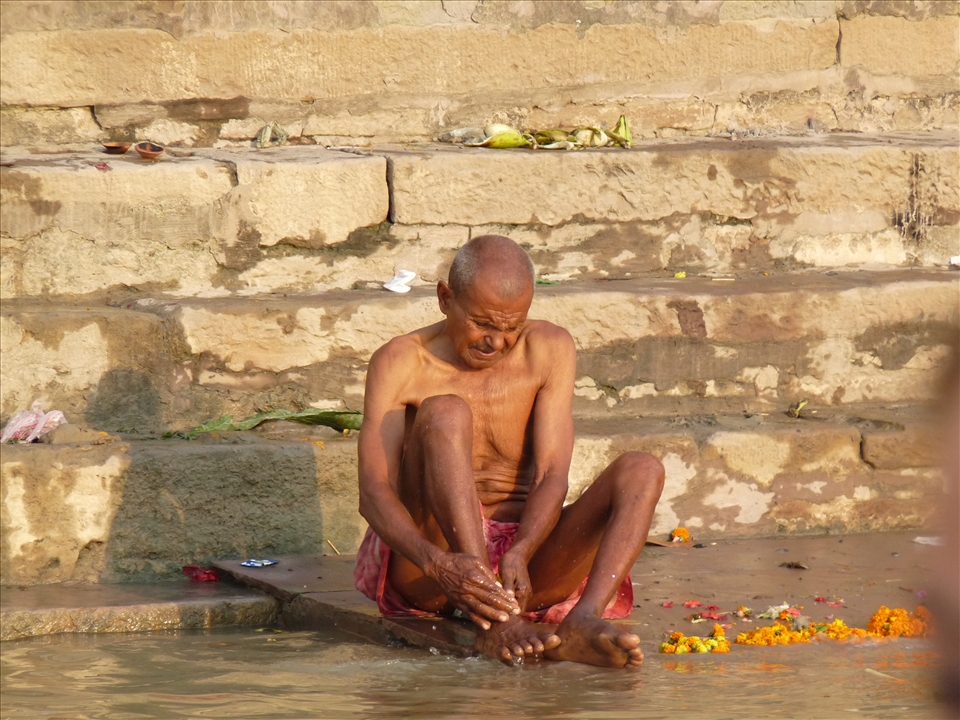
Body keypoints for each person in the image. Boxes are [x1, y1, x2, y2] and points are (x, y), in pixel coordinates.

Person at [354, 235, 664, 667]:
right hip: (434, 566)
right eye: (482, 323)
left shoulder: (549, 348)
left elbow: (551, 474)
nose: (495, 343)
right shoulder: (401, 361)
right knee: (446, 412)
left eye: (510, 328)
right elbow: (373, 492)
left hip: (527, 564)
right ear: (445, 298)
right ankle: (493, 620)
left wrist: (521, 550)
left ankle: (583, 619)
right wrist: (441, 564)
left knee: (643, 470)